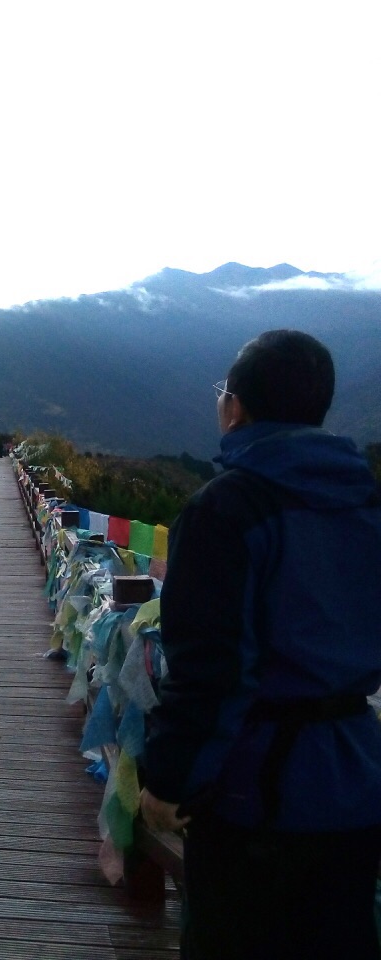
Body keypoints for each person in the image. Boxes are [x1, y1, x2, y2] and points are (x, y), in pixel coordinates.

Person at [140, 329, 381, 959]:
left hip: (254, 794)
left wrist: (165, 780)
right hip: (356, 781)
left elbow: (210, 674)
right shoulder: (366, 499)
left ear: (235, 409)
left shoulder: (229, 508)